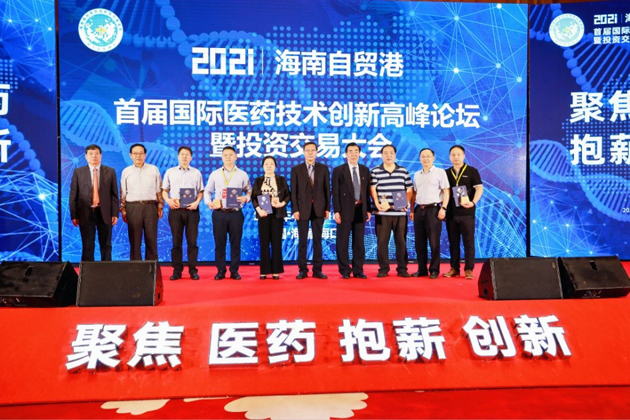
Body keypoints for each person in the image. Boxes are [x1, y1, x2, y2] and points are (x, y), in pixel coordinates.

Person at [204, 146, 252, 280]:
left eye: (231, 155)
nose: (228, 157)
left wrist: (246, 198)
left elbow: (249, 190)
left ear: (236, 157)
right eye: (225, 155)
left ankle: (234, 271)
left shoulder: (242, 174)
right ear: (222, 157)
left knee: (236, 243)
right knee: (219, 243)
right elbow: (207, 191)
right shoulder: (215, 174)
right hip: (219, 213)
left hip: (236, 213)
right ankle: (220, 270)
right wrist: (208, 202)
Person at [69, 144, 119, 261]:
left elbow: (114, 195)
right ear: (86, 156)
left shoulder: (110, 171)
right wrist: (74, 215)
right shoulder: (78, 172)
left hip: (105, 213)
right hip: (85, 213)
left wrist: (115, 213)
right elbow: (73, 195)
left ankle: (106, 270)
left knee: (106, 245)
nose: (94, 156)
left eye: (96, 153)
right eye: (91, 154)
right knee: (87, 245)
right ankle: (88, 271)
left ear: (101, 155)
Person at [370, 144, 413, 278]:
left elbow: (409, 189)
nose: (388, 155)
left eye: (391, 153)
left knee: (401, 241)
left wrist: (406, 202)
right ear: (382, 155)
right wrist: (377, 203)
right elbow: (373, 188)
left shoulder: (403, 171)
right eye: (386, 153)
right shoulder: (375, 171)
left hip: (400, 213)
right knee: (382, 242)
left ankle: (402, 268)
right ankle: (383, 268)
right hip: (382, 213)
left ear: (395, 155)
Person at [162, 146, 204, 281]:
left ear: (191, 157)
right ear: (178, 156)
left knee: (192, 242)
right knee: (176, 242)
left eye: (187, 155)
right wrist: (168, 201)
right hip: (175, 210)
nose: (184, 157)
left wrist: (197, 202)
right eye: (182, 154)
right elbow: (164, 190)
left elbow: (201, 191)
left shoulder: (196, 173)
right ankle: (177, 270)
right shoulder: (170, 172)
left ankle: (193, 270)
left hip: (192, 210)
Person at [290, 141, 330, 279]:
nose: (310, 153)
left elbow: (327, 190)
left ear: (317, 152)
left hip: (319, 209)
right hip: (302, 209)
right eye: (308, 150)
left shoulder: (323, 168)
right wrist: (295, 209)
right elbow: (293, 192)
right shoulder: (296, 169)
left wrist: (327, 208)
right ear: (303, 152)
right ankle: (303, 270)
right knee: (302, 240)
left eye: (313, 150)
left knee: (318, 240)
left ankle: (317, 270)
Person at [332, 142, 371, 279]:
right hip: (344, 211)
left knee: (359, 242)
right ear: (346, 154)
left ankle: (358, 270)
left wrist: (368, 209)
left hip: (360, 210)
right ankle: (344, 270)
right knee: (342, 242)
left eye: (356, 151)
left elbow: (366, 192)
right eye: (350, 151)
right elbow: (335, 192)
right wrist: (336, 211)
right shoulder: (339, 170)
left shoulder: (365, 170)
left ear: (359, 153)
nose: (353, 154)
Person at [444, 145, 484, 279]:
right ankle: (454, 268)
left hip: (467, 213)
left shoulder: (472, 171)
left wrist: (473, 202)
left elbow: (479, 189)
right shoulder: (446, 173)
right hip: (451, 214)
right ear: (450, 157)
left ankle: (469, 269)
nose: (456, 157)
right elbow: (444, 192)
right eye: (453, 155)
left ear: (464, 156)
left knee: (468, 242)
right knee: (453, 243)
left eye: (458, 154)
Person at [409, 148, 450, 279]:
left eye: (428, 156)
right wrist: (412, 210)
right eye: (423, 156)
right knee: (419, 243)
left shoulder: (440, 172)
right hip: (418, 210)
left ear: (433, 158)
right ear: (419, 158)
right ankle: (422, 269)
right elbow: (414, 193)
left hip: (434, 210)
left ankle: (434, 270)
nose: (425, 159)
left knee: (434, 242)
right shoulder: (417, 174)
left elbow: (446, 191)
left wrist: (443, 208)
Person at [120, 143, 163, 261]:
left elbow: (159, 189)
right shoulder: (126, 171)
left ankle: (152, 268)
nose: (138, 156)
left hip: (150, 206)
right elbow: (123, 192)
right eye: (135, 153)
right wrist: (123, 209)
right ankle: (135, 269)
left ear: (145, 155)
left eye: (141, 153)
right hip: (133, 207)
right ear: (130, 155)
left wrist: (160, 206)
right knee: (134, 241)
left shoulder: (154, 169)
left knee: (151, 239)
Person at [251, 156, 290, 280]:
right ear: (263, 166)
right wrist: (259, 209)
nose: (269, 166)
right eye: (266, 164)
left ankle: (276, 271)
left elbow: (288, 195)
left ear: (275, 166)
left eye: (271, 164)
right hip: (263, 214)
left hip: (277, 214)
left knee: (276, 242)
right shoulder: (258, 180)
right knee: (264, 242)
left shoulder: (281, 180)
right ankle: (264, 270)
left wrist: (282, 204)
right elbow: (253, 197)